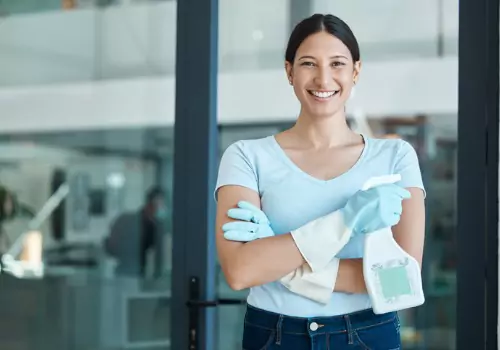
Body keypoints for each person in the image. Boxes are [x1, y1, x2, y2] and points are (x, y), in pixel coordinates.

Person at [214, 14, 426, 350]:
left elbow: (400, 279)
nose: (323, 78)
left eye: (337, 63)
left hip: (368, 334)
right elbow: (240, 272)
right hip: (274, 334)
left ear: (356, 71)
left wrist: (280, 263)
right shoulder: (246, 156)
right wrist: (346, 219)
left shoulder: (395, 156)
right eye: (309, 63)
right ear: (289, 71)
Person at [105, 186, 168, 278]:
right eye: (161, 204)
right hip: (130, 273)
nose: (163, 208)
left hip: (135, 273)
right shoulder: (130, 222)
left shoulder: (154, 225)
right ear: (154, 202)